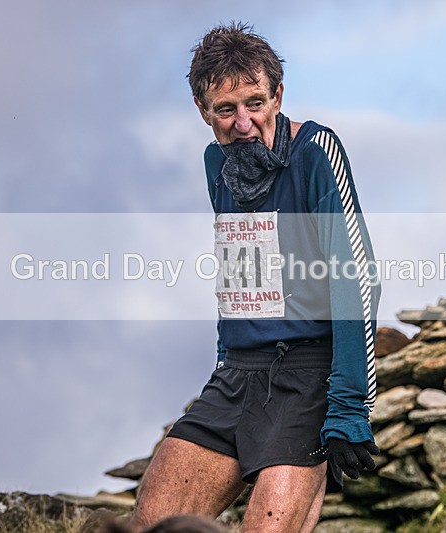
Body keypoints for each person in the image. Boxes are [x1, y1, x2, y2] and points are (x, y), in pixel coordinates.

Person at [128, 23, 380, 533]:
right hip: (237, 374)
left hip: (307, 375)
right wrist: (227, 356)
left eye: (255, 103)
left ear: (278, 95)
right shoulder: (215, 163)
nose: (244, 122)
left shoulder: (315, 150)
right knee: (153, 521)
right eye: (226, 109)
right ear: (203, 111)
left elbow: (355, 277)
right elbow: (242, 271)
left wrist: (350, 401)